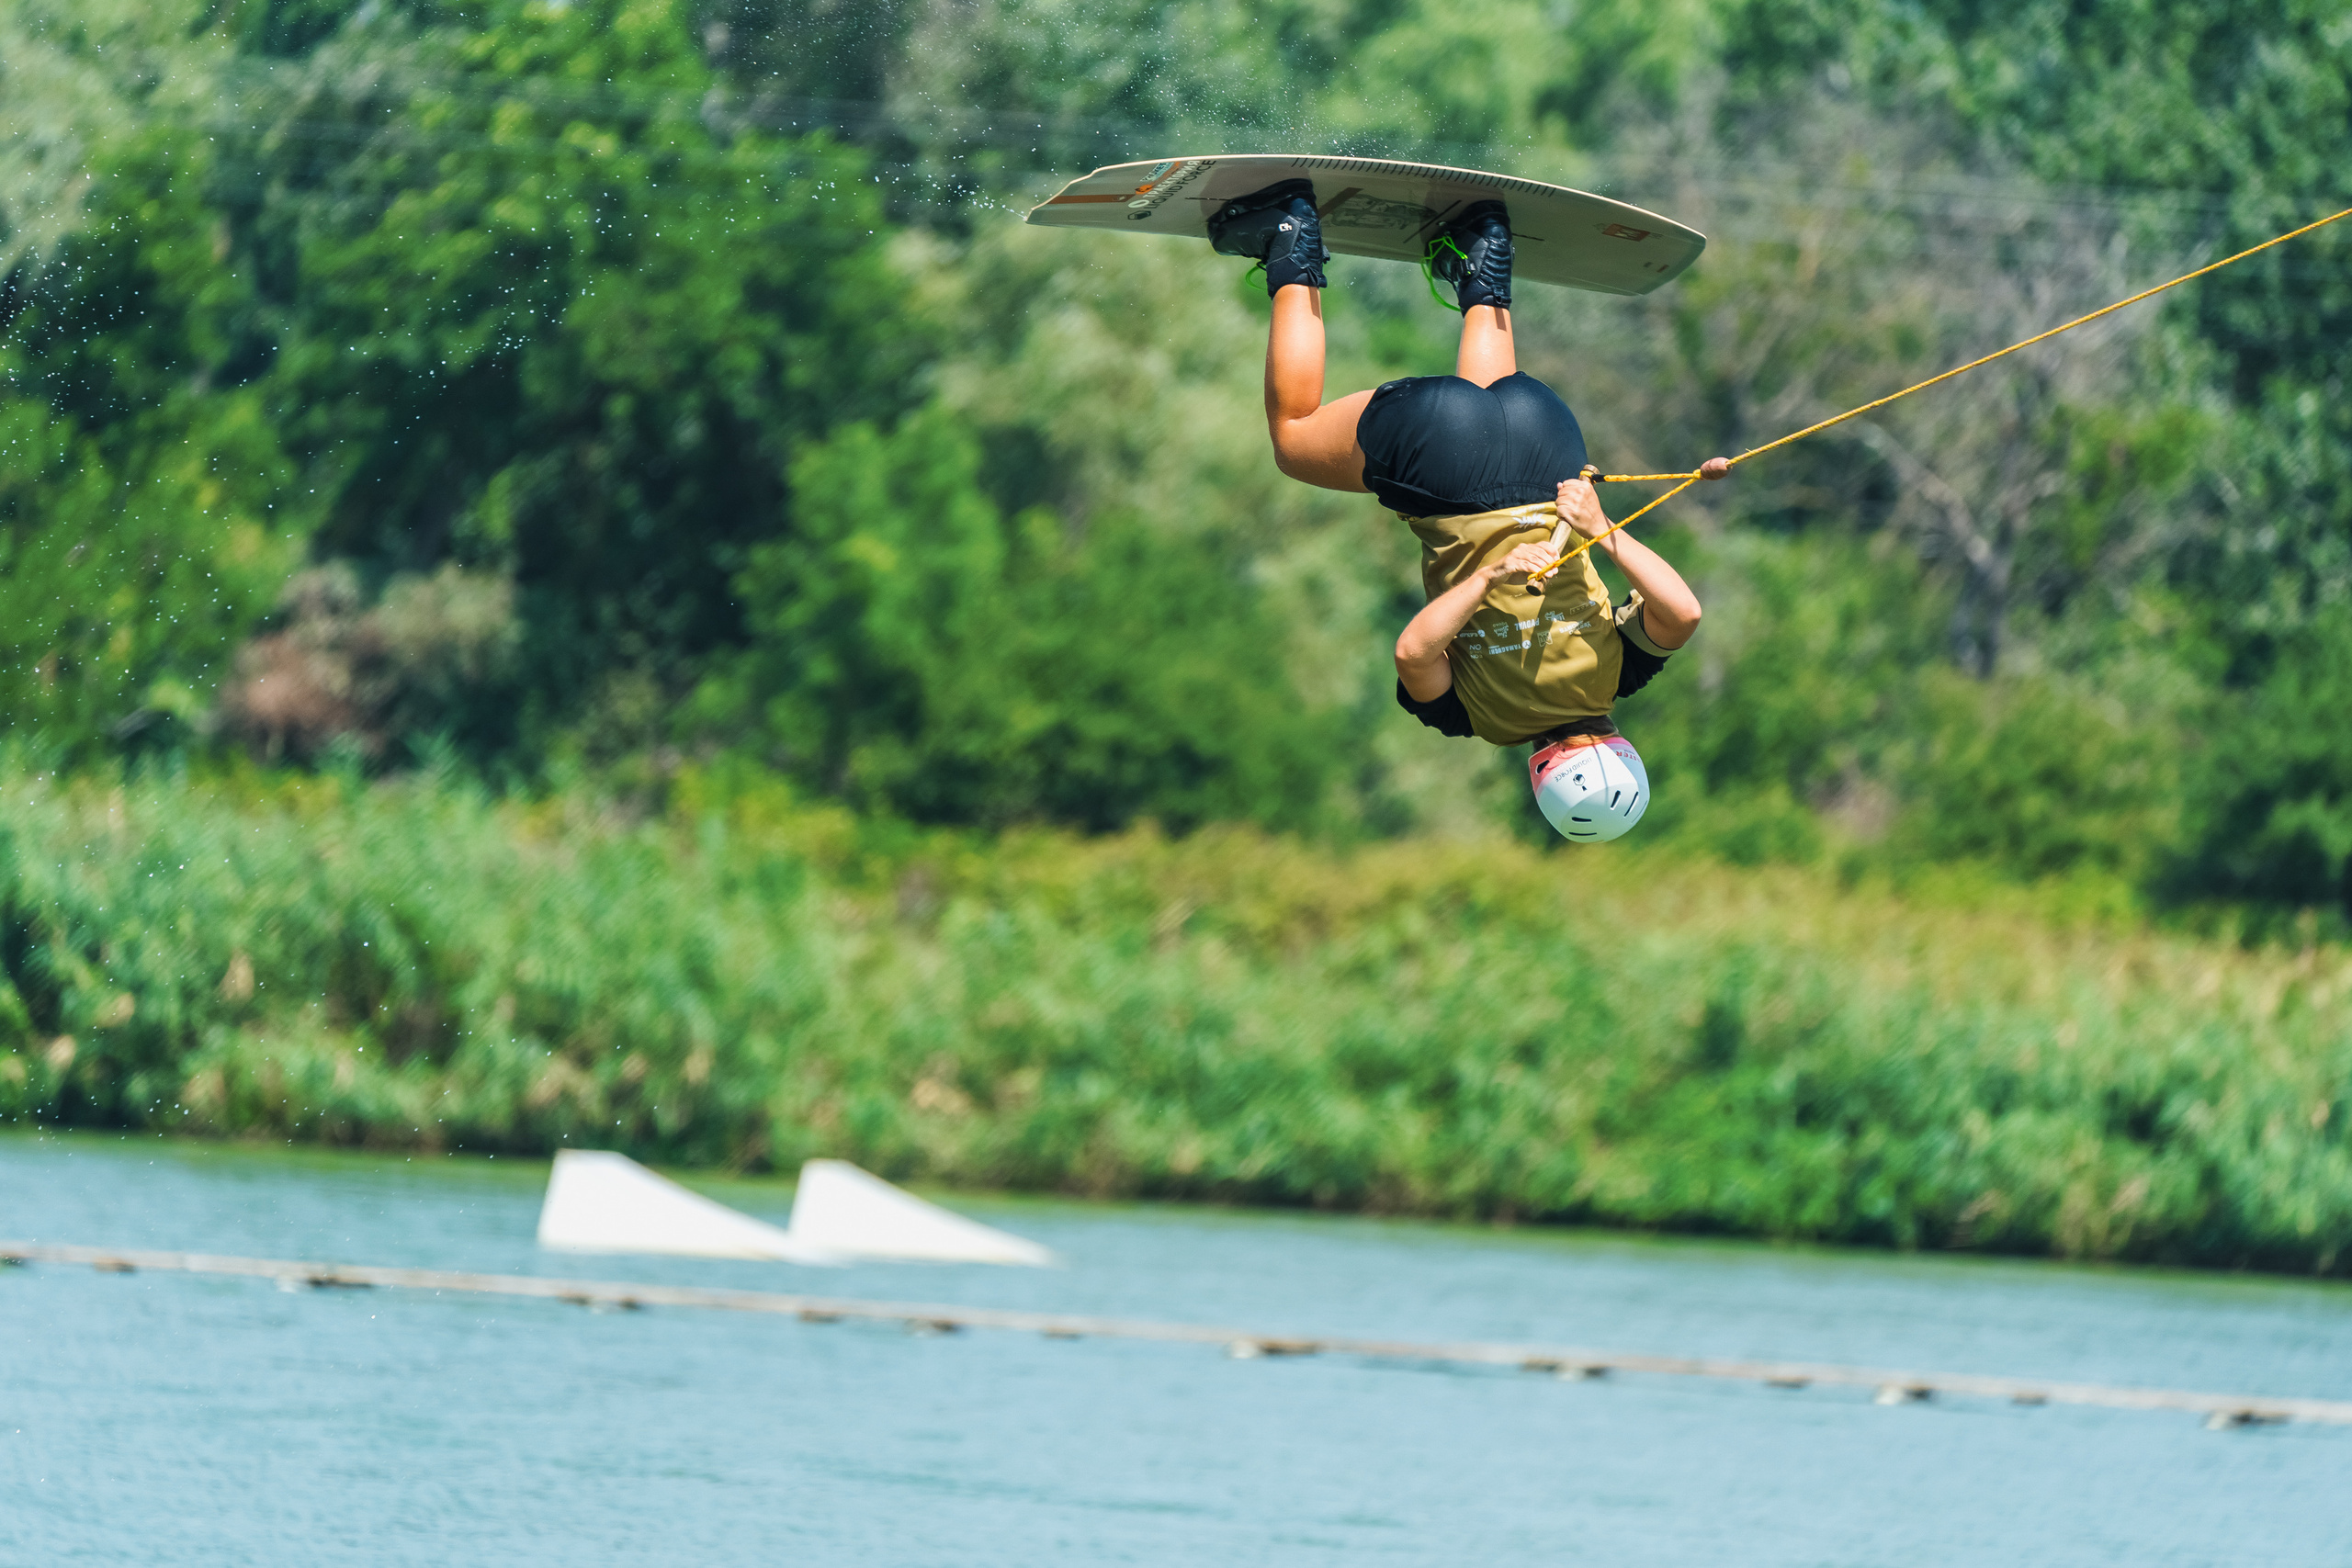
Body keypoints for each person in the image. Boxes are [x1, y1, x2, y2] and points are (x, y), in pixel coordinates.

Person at [1204, 180, 1704, 841]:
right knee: (1294, 440)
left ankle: (1482, 255)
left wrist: (1600, 528)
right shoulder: (1476, 719)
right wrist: (1486, 580)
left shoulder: (1621, 673)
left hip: (1545, 437)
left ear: (1625, 749)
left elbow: (1683, 614)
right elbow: (1413, 653)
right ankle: (1287, 241)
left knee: (1488, 392)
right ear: (1540, 774)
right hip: (1443, 457)